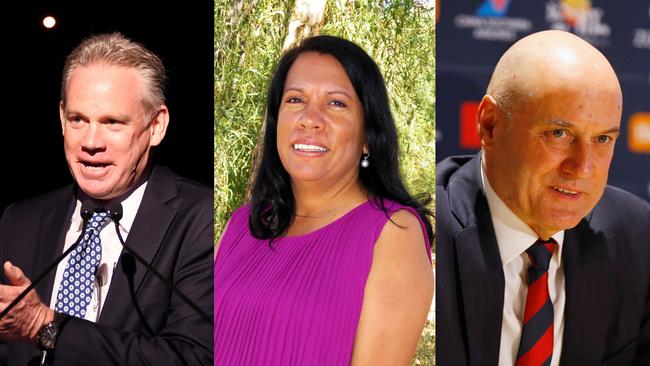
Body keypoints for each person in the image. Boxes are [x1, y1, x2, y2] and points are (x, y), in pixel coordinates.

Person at [214, 35, 434, 365]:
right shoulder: (242, 225)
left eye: (336, 103)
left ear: (367, 137)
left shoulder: (393, 233)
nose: (309, 119)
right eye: (295, 100)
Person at [436, 29, 650, 366]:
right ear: (489, 125)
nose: (582, 168)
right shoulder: (426, 230)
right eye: (559, 134)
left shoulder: (639, 239)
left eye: (603, 139)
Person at [0, 33, 213, 365]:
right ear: (61, 118)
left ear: (156, 126)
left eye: (112, 122)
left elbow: (196, 357)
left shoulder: (203, 220)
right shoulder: (20, 220)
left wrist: (47, 328)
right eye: (78, 120)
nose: (91, 142)